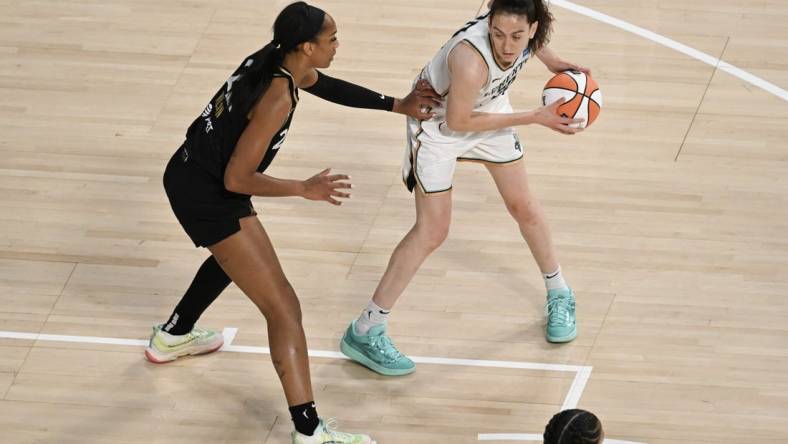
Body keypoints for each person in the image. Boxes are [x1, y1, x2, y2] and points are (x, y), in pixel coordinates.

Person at [143, 2, 439, 443]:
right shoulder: (277, 97)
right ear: (307, 45)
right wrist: (304, 188)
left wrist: (397, 105)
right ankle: (309, 430)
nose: (338, 45)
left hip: (192, 173)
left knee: (238, 258)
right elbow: (238, 177)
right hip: (208, 192)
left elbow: (325, 85)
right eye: (332, 38)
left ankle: (174, 334)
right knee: (283, 307)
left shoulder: (276, 59)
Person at [340, 0, 591, 377]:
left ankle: (559, 292)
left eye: (518, 36)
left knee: (523, 206)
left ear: (534, 29)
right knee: (432, 231)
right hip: (440, 125)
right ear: (488, 24)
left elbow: (527, 44)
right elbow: (458, 120)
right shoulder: (469, 60)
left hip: (487, 109)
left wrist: (552, 61)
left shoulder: (527, 36)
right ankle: (366, 329)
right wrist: (535, 117)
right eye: (499, 34)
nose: (507, 45)